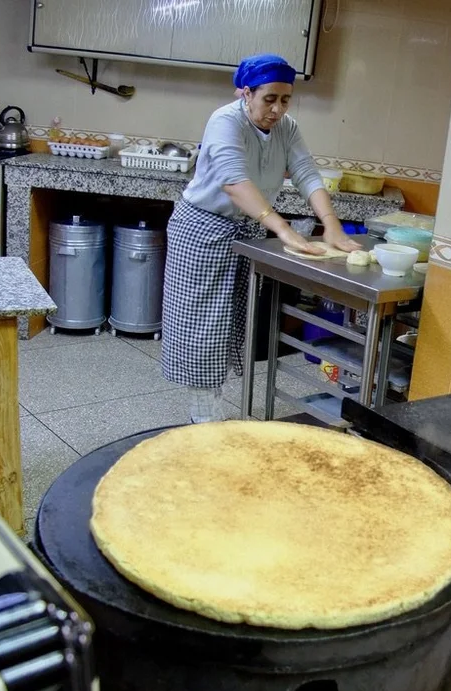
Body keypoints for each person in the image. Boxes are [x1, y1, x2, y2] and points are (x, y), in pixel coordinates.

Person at [161, 54, 361, 423]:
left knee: (232, 323)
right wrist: (283, 229)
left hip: (246, 229)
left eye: (285, 100)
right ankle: (203, 416)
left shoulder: (287, 127)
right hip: (203, 229)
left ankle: (219, 408)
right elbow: (233, 181)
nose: (277, 109)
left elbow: (304, 171)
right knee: (203, 326)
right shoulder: (225, 121)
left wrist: (330, 222)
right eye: (269, 99)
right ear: (246, 93)